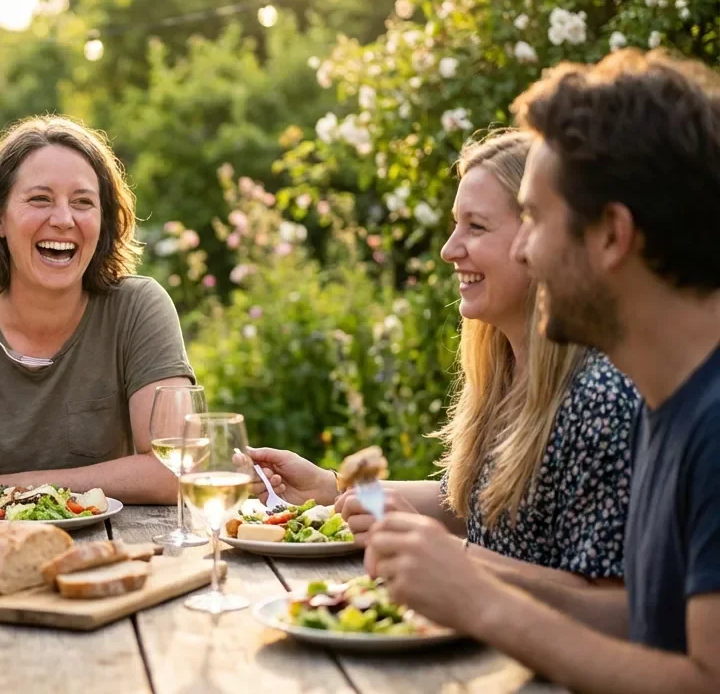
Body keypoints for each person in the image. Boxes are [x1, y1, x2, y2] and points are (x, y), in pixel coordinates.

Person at [368, 49, 720, 692]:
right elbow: (637, 622)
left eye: (533, 219)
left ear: (611, 236)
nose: (525, 249)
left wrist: (482, 598)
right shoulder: (667, 400)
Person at [245, 129, 639, 586]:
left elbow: (612, 604)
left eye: (476, 226)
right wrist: (334, 490)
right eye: (455, 224)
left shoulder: (601, 398)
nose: (449, 249)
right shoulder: (506, 370)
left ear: (542, 237)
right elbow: (472, 509)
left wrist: (444, 553)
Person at [0, 115, 195, 503]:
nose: (63, 220)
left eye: (83, 202)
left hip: (106, 550)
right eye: (40, 199)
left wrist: (17, 488)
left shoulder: (137, 309)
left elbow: (176, 473)